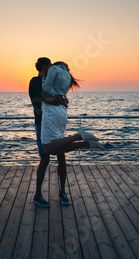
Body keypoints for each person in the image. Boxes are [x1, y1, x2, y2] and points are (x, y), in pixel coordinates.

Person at [39, 61, 104, 206]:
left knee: (48, 149)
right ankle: (85, 144)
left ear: (54, 65)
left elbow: (45, 91)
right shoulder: (66, 75)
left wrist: (43, 79)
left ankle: (79, 137)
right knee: (59, 151)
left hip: (51, 114)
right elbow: (61, 97)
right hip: (62, 113)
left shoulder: (53, 70)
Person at [29, 57, 70, 208]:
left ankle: (62, 192)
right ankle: (38, 195)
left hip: (56, 124)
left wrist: (61, 100)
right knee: (45, 159)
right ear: (45, 66)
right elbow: (43, 99)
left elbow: (63, 98)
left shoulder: (52, 82)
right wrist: (57, 100)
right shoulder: (34, 81)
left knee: (61, 157)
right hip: (42, 124)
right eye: (50, 65)